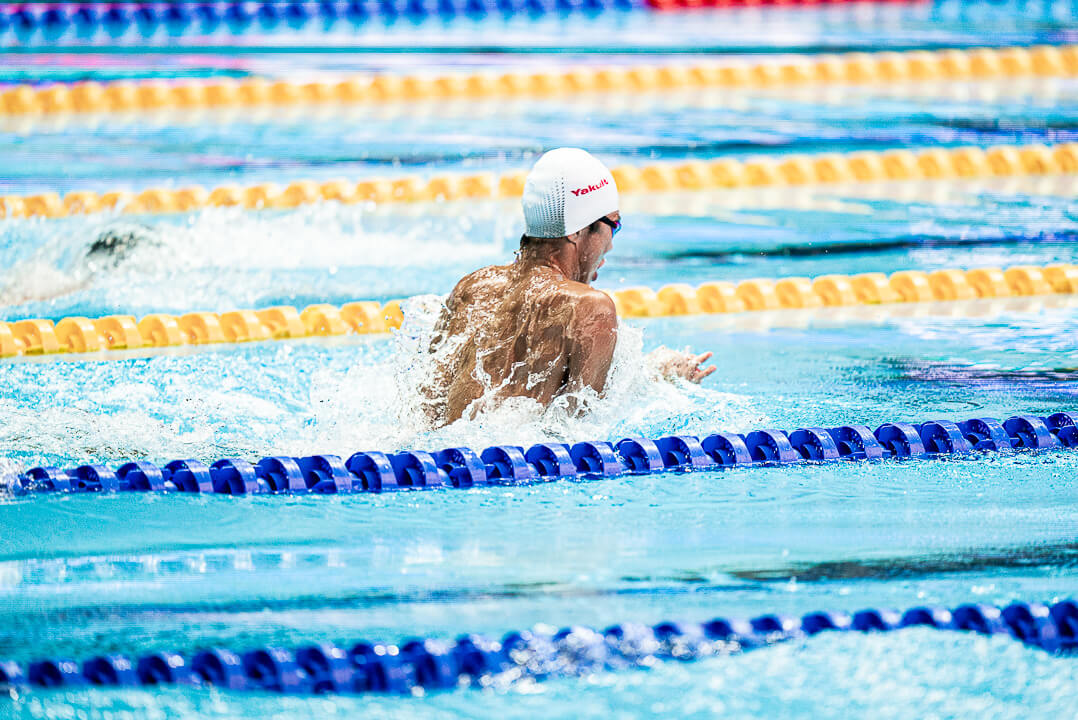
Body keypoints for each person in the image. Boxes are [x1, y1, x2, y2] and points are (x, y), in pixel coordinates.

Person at [424, 147, 716, 427]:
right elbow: (585, 427)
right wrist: (657, 384)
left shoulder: (474, 286)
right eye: (613, 225)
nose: (611, 244)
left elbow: (428, 406)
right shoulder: (590, 307)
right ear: (577, 229)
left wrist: (650, 372)